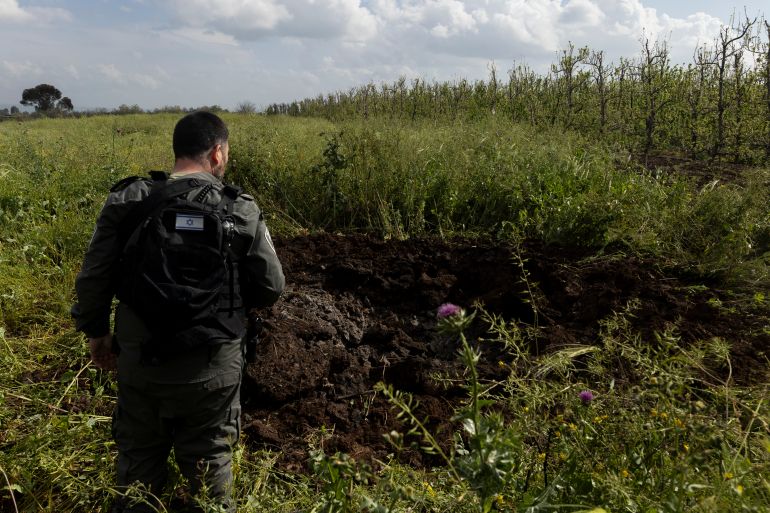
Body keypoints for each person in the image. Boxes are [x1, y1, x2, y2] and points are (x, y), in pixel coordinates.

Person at [71, 111, 285, 512]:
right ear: (218, 153)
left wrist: (97, 332)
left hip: (141, 358)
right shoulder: (239, 209)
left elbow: (94, 276)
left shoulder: (129, 199)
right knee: (210, 469)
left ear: (176, 150)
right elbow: (272, 287)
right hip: (214, 365)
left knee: (137, 464)